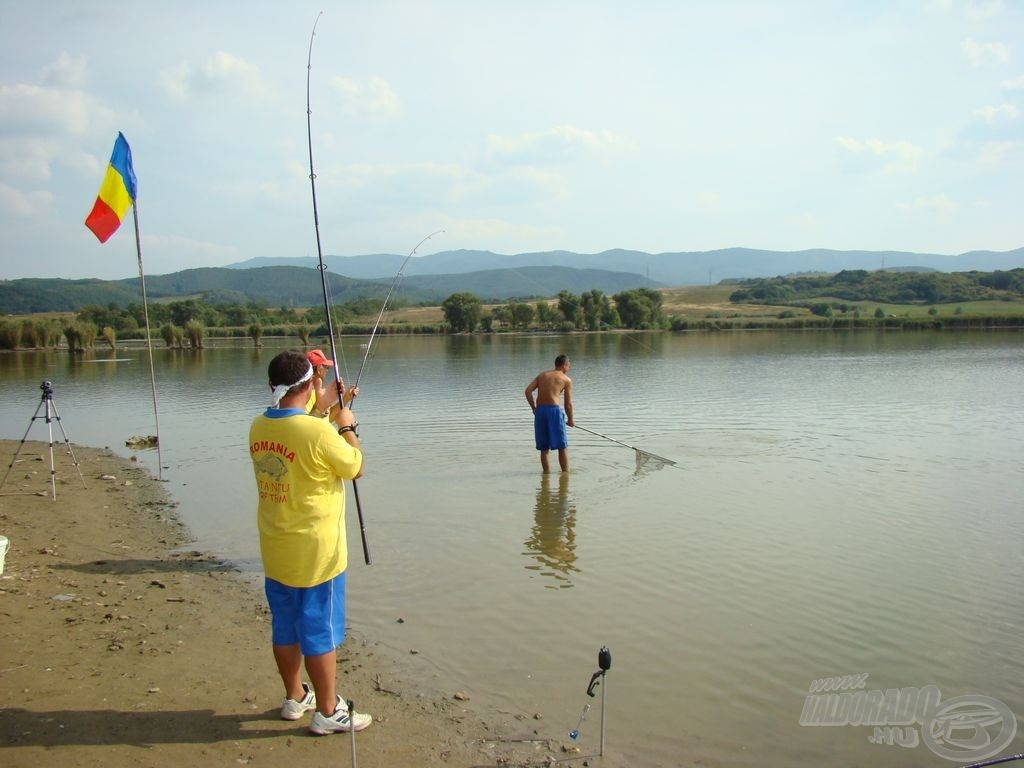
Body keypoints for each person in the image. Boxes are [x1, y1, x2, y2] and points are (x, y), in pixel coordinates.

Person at [248, 350, 372, 735]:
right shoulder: (319, 432)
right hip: (317, 555)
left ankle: (294, 697)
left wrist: (327, 407)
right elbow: (355, 466)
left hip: (276, 549)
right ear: (309, 384)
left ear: (273, 385)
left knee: (285, 627)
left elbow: (300, 430)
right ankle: (328, 710)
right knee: (319, 631)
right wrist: (347, 424)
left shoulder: (259, 426)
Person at [524, 354, 574, 473]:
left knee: (544, 448)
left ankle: (546, 476)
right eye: (568, 366)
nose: (568, 369)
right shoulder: (566, 380)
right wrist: (571, 420)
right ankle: (565, 475)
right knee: (562, 447)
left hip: (540, 412)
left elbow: (528, 391)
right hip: (554, 411)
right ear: (564, 366)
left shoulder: (543, 375)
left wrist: (534, 408)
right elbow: (568, 405)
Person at [305, 349, 357, 419]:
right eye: (327, 367)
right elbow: (309, 423)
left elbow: (329, 417)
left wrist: (346, 398)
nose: (327, 370)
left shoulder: (311, 392)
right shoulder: (308, 396)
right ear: (319, 368)